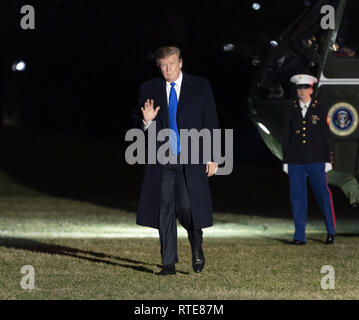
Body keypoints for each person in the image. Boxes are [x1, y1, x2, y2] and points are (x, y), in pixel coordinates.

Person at [132, 46, 219, 275]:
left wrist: (212, 156)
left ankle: (195, 238)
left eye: (171, 63)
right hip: (161, 158)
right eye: (163, 64)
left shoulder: (200, 86)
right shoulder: (148, 88)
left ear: (181, 63)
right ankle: (168, 264)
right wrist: (147, 121)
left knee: (186, 206)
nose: (167, 68)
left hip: (190, 157)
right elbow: (137, 121)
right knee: (164, 209)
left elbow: (210, 121)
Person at [282, 74, 336, 245]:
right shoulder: (290, 109)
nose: (302, 91)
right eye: (299, 88)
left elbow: (326, 136)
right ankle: (299, 236)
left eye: (305, 88)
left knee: (323, 195)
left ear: (312, 89)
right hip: (296, 160)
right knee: (297, 197)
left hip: (316, 159)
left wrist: (328, 159)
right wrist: (286, 161)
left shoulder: (320, 109)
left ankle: (331, 231)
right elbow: (287, 137)